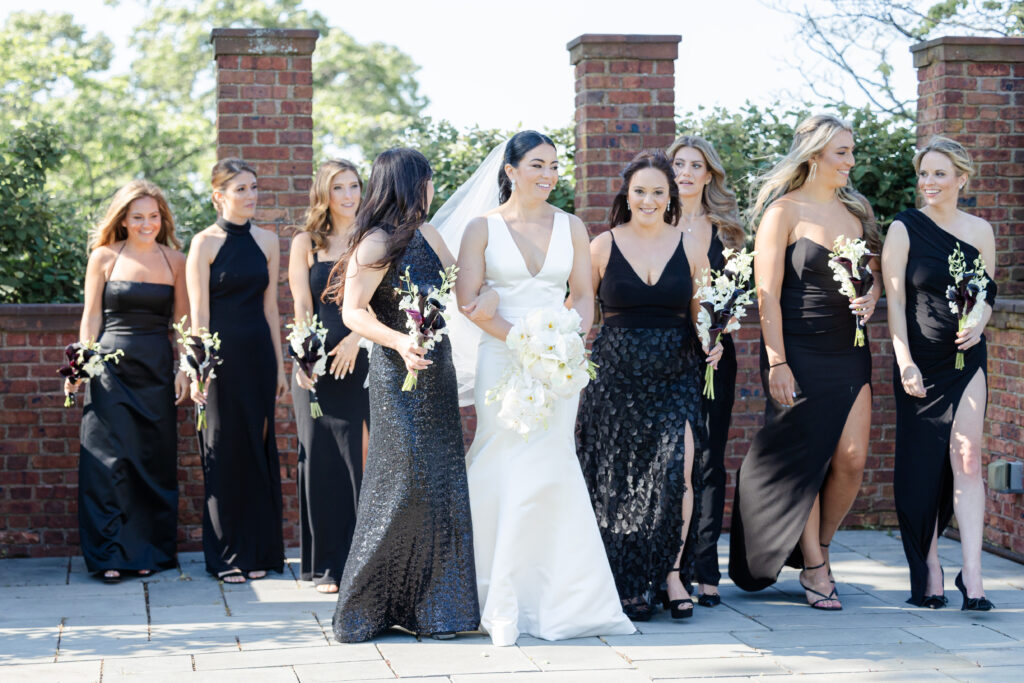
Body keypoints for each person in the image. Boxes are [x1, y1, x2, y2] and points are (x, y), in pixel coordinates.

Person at [454, 130, 635, 645]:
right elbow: (469, 300)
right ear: (510, 170)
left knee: (552, 462)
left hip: (558, 362)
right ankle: (491, 592)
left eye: (555, 165)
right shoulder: (480, 228)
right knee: (502, 459)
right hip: (502, 357)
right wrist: (523, 342)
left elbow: (582, 297)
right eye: (537, 165)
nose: (549, 175)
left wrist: (562, 341)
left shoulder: (573, 226)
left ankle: (563, 599)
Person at [728, 114, 881, 610]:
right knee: (806, 462)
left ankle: (824, 546)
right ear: (814, 156)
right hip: (799, 352)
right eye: (842, 152)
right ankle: (815, 568)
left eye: (851, 151)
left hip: (850, 350)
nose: (851, 161)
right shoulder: (783, 212)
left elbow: (871, 275)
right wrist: (776, 363)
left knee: (852, 458)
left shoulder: (855, 212)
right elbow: (766, 295)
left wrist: (873, 296)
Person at [329, 148, 479, 643]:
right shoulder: (374, 241)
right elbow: (353, 311)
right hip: (397, 375)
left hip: (437, 372)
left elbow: (465, 290)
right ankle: (363, 608)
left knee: (442, 483)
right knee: (403, 482)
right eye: (429, 181)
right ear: (411, 183)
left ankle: (440, 611)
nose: (434, 190)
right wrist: (399, 340)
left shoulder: (431, 235)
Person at [578, 151, 723, 621]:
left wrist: (713, 339)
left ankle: (672, 573)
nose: (649, 199)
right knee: (619, 478)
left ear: (670, 196)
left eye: (658, 191)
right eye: (640, 191)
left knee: (676, 471)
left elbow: (703, 311)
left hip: (675, 373)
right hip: (616, 378)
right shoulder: (601, 246)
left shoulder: (691, 245)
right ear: (627, 195)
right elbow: (578, 311)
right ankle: (626, 579)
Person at [883, 136, 997, 611]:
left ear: (961, 179)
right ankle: (930, 568)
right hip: (920, 364)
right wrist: (904, 360)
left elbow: (988, 291)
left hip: (966, 360)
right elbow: (894, 302)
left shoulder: (980, 230)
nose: (928, 183)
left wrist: (981, 321)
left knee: (967, 459)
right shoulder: (904, 228)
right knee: (924, 467)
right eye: (924, 174)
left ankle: (973, 576)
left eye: (939, 174)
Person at [70, 180, 189, 583]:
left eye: (153, 216)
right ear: (123, 219)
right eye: (138, 216)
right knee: (108, 462)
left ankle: (148, 552)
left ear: (162, 219)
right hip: (109, 369)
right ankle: (108, 555)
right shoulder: (103, 257)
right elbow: (90, 318)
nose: (146, 223)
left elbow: (183, 325)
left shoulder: (175, 259)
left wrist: (185, 370)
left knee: (150, 459)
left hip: (155, 368)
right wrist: (78, 367)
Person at [186, 158, 287, 583]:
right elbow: (198, 314)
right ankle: (227, 557)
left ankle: (258, 550)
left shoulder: (268, 241)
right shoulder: (203, 243)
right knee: (224, 454)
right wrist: (197, 370)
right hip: (220, 364)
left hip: (259, 359)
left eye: (254, 187)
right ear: (218, 196)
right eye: (241, 189)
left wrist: (281, 368)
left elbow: (270, 309)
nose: (251, 196)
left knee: (256, 454)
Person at [668, 135, 745, 607]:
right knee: (674, 461)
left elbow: (735, 297)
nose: (686, 173)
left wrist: (717, 336)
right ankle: (668, 565)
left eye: (697, 165)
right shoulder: (653, 219)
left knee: (710, 460)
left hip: (717, 354)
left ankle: (706, 567)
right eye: (678, 164)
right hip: (668, 353)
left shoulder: (728, 233)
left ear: (710, 174)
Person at [288, 160, 370, 594]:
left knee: (360, 460)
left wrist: (357, 337)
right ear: (324, 193)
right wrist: (304, 356)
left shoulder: (373, 237)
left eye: (354, 186)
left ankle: (362, 560)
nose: (348, 195)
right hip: (317, 363)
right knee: (319, 458)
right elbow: (302, 304)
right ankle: (326, 566)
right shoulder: (306, 242)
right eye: (338, 187)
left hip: (362, 357)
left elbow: (382, 299)